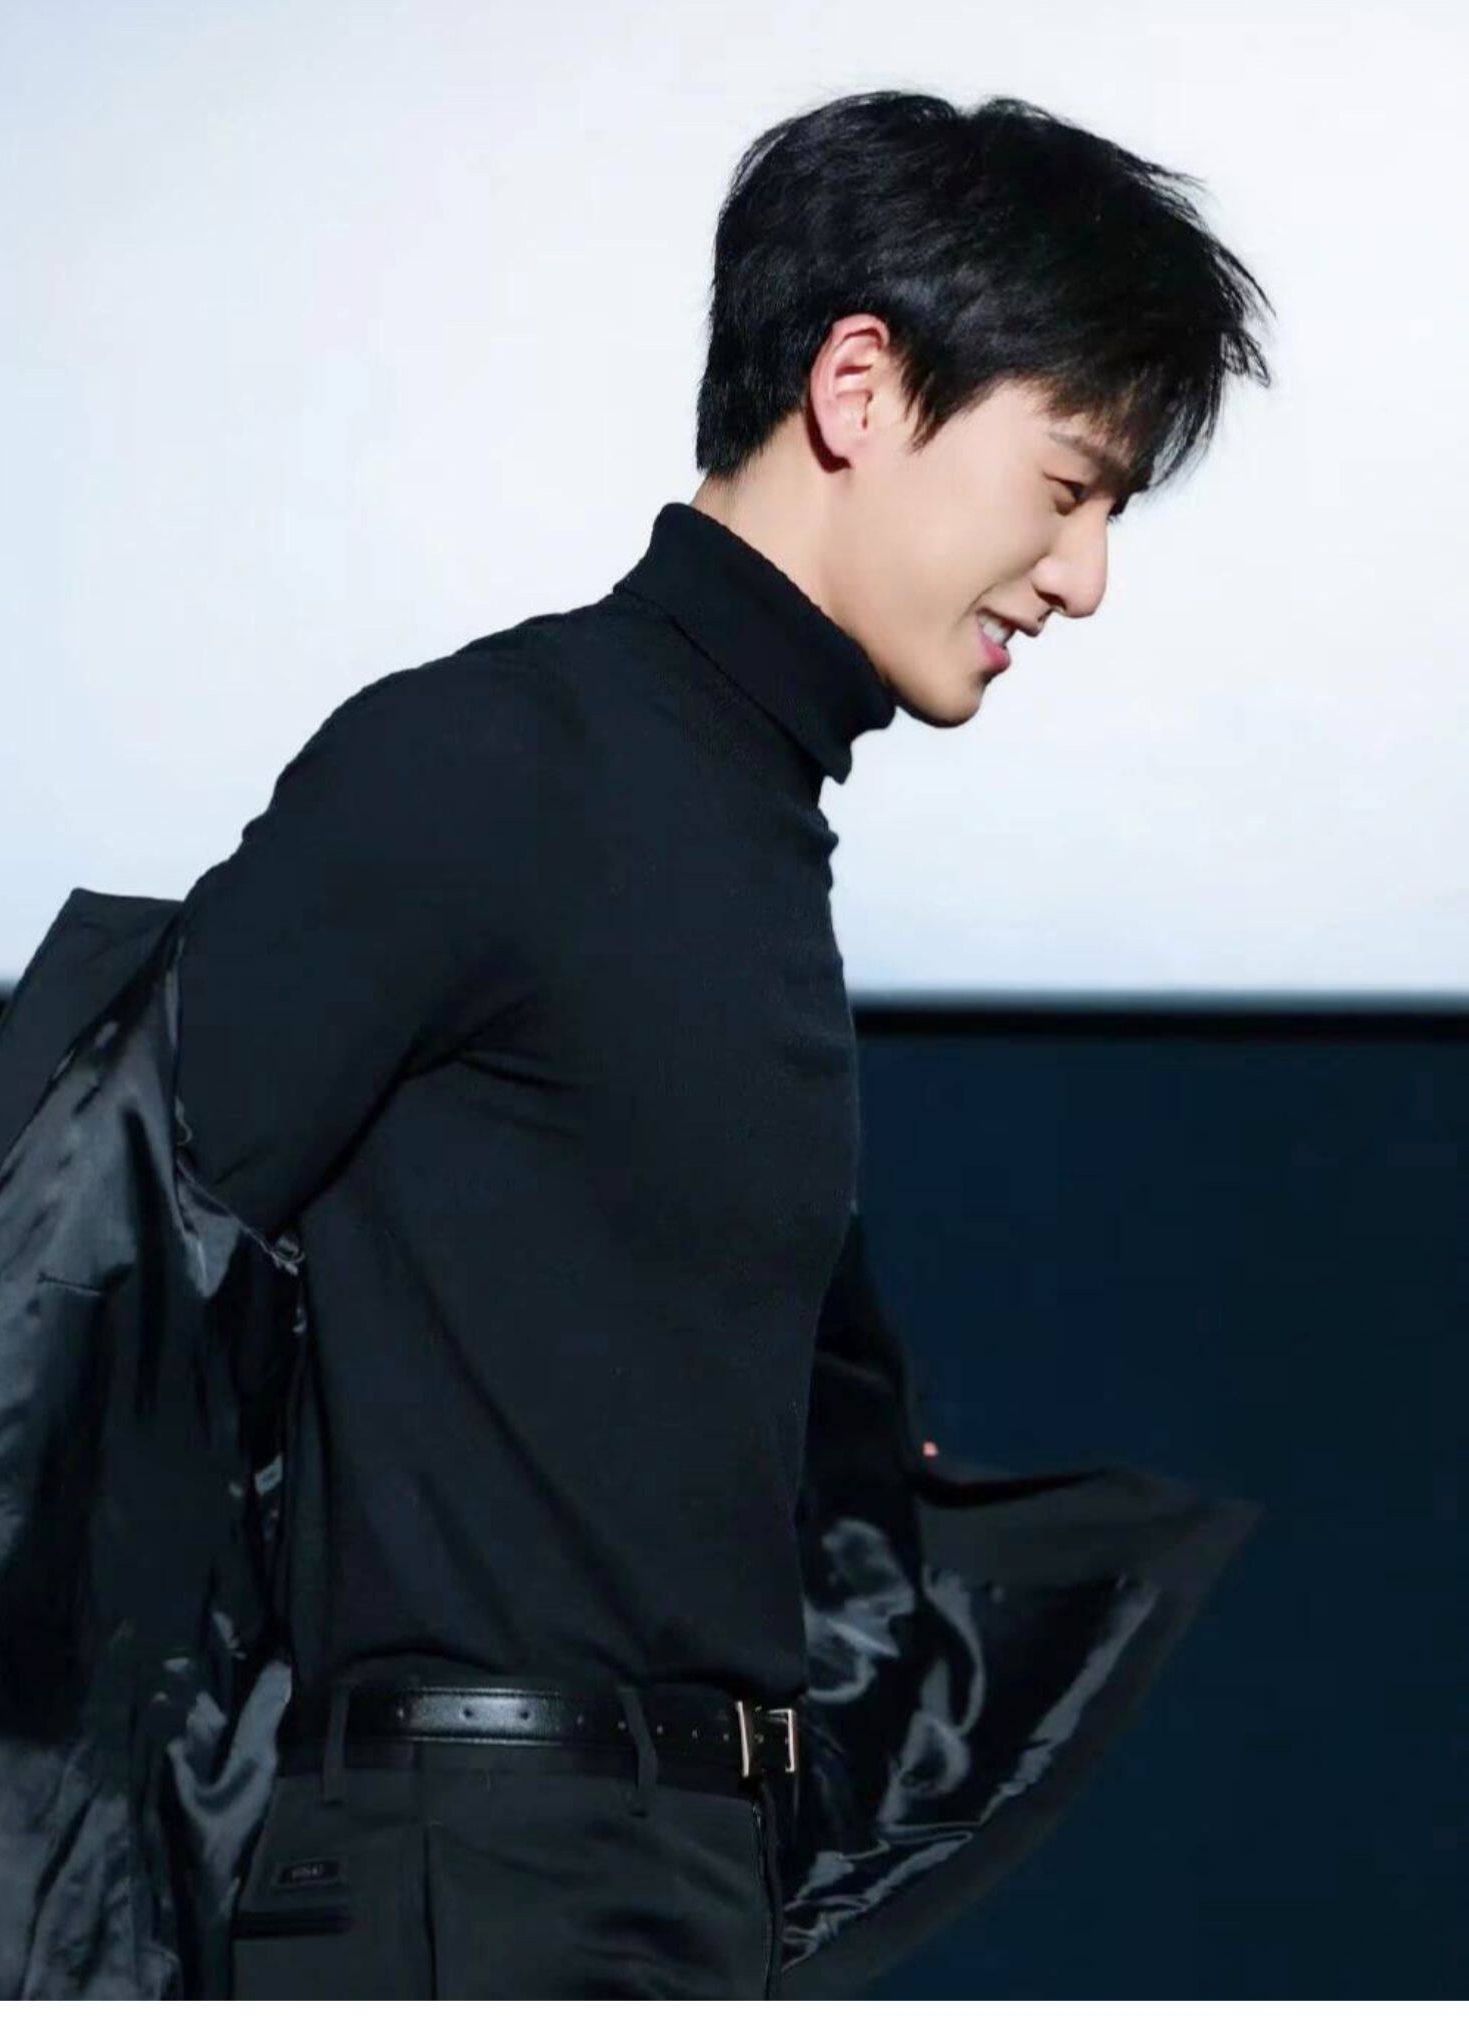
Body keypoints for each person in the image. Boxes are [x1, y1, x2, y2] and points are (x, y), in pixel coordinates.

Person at [171, 88, 1272, 1999]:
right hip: (464, 1891)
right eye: (1069, 487)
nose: (1086, 577)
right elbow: (94, 1278)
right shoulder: (491, 764)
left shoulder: (745, 820)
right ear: (859, 387)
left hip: (680, 1887)